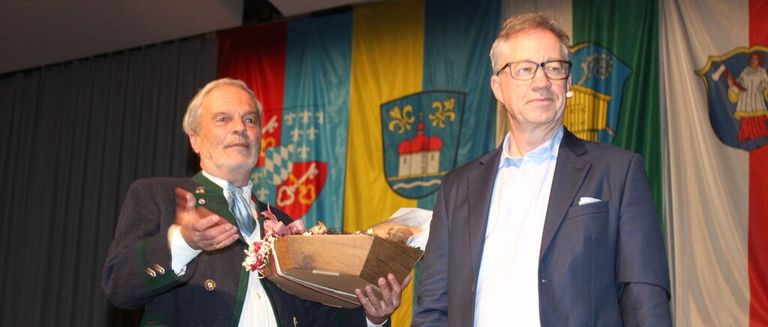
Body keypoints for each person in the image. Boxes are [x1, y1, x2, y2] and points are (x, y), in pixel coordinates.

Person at [413, 14, 671, 327]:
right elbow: (433, 310)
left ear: (569, 82)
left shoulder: (618, 172)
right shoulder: (457, 187)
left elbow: (644, 298)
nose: (541, 82)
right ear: (497, 86)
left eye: (554, 68)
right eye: (524, 69)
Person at [102, 78, 407, 326]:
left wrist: (372, 316)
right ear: (194, 139)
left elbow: (315, 316)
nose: (240, 127)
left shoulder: (286, 223)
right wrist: (184, 243)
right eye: (223, 118)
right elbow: (119, 285)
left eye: (250, 119)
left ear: (261, 137)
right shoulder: (158, 196)